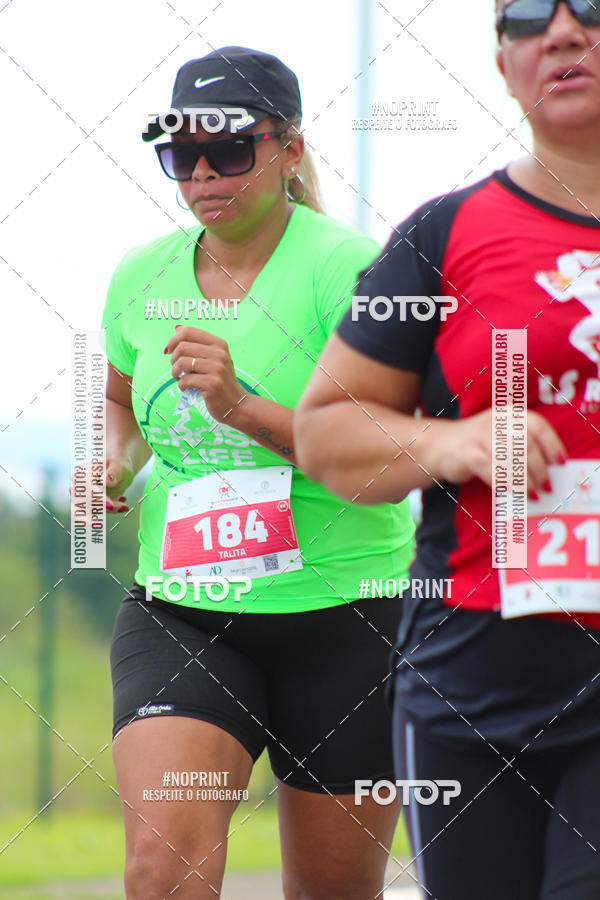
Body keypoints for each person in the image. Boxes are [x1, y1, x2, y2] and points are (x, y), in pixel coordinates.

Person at [295, 3, 600, 897]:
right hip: (474, 678)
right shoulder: (444, 236)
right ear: (503, 64)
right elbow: (327, 436)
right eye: (526, 18)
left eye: (590, 8)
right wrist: (458, 440)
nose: (564, 33)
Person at [101, 46, 415, 899]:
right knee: (161, 869)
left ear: (290, 149)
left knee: (332, 891)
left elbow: (390, 455)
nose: (202, 172)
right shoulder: (140, 275)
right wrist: (112, 463)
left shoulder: (351, 271)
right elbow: (121, 400)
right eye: (180, 153)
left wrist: (243, 407)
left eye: (231, 149)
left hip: (349, 614)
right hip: (187, 609)